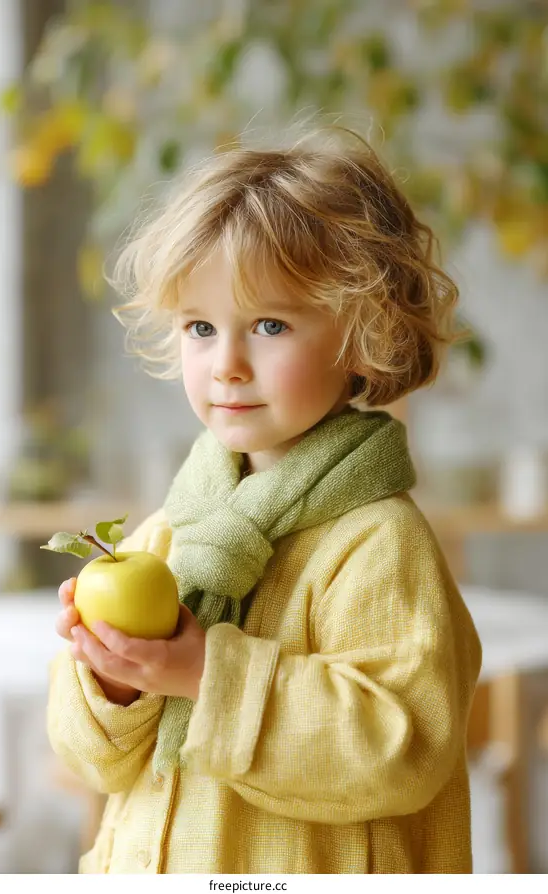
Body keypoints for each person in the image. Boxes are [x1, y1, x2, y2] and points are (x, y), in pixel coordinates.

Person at [47, 127, 482, 874]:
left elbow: (403, 747)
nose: (227, 365)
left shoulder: (377, 542)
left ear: (364, 332)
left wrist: (203, 675)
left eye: (270, 325)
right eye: (200, 327)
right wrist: (116, 680)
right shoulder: (167, 534)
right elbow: (96, 765)